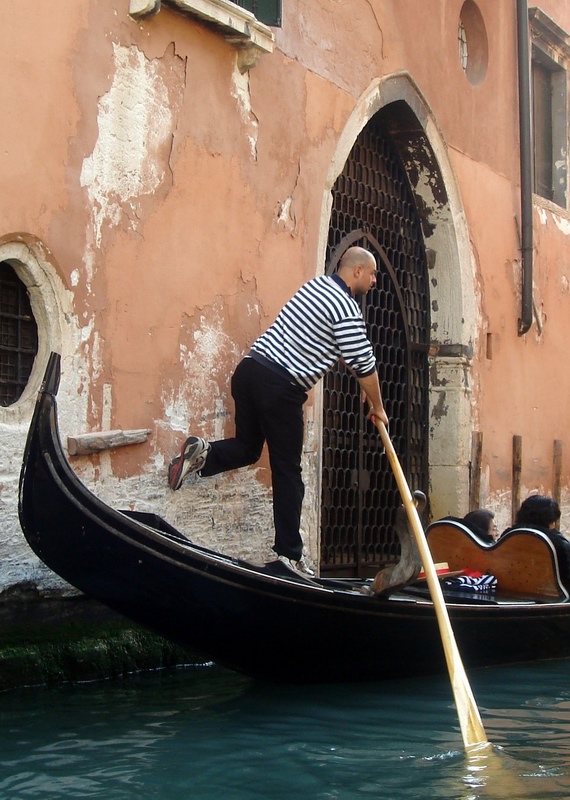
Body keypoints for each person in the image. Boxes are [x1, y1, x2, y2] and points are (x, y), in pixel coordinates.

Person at [168, 246, 389, 577]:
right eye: (372, 274)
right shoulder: (346, 307)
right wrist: (378, 407)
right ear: (356, 271)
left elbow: (331, 342)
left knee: (248, 447)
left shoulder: (314, 287)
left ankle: (203, 454)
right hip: (280, 386)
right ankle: (289, 557)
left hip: (250, 371)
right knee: (288, 471)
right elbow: (364, 361)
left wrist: (358, 376)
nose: (374, 281)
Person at [505, 495, 570, 585]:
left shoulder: (508, 536)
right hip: (554, 597)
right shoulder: (558, 542)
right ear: (552, 521)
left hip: (511, 590)